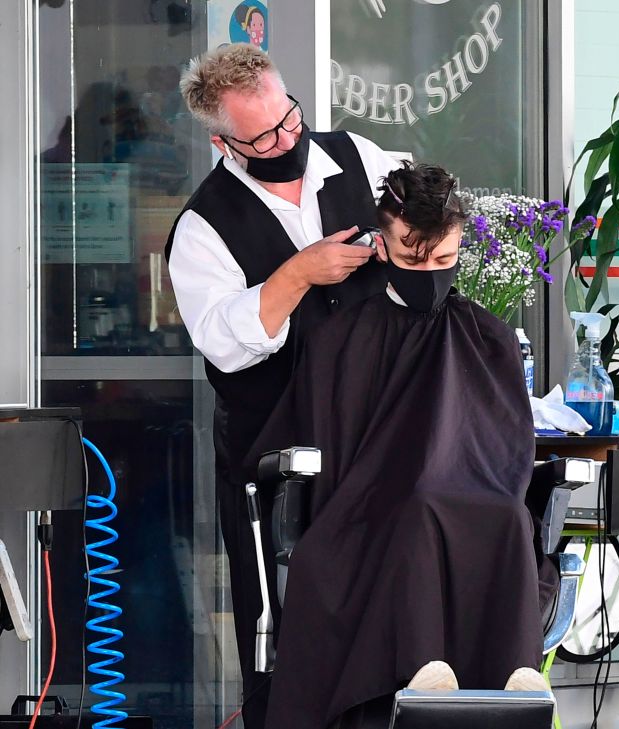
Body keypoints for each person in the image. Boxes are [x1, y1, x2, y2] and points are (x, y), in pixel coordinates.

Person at [249, 161, 551, 729]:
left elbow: (509, 445)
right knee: (417, 506)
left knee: (510, 517)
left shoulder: (488, 336)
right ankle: (421, 666)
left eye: (444, 260)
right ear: (382, 248)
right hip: (369, 505)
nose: (430, 271)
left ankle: (515, 675)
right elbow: (328, 444)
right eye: (414, 258)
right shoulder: (340, 338)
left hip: (473, 497)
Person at [167, 43, 398, 729]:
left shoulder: (358, 156)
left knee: (383, 622)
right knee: (285, 638)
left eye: (289, 120)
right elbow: (224, 343)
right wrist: (298, 274)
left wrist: (408, 244)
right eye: (263, 137)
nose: (284, 139)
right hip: (275, 457)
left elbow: (427, 224)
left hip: (374, 436)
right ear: (224, 142)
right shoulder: (203, 225)